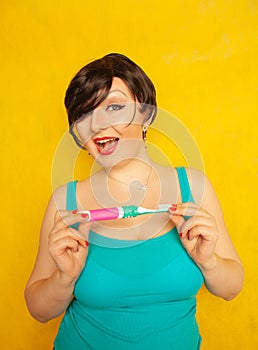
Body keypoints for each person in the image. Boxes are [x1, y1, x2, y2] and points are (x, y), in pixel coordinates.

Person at [25, 53, 244, 350]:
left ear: (146, 115)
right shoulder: (67, 201)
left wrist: (210, 262)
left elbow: (231, 288)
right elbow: (39, 310)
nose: (97, 125)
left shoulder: (192, 186)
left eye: (114, 107)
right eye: (84, 115)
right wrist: (64, 278)